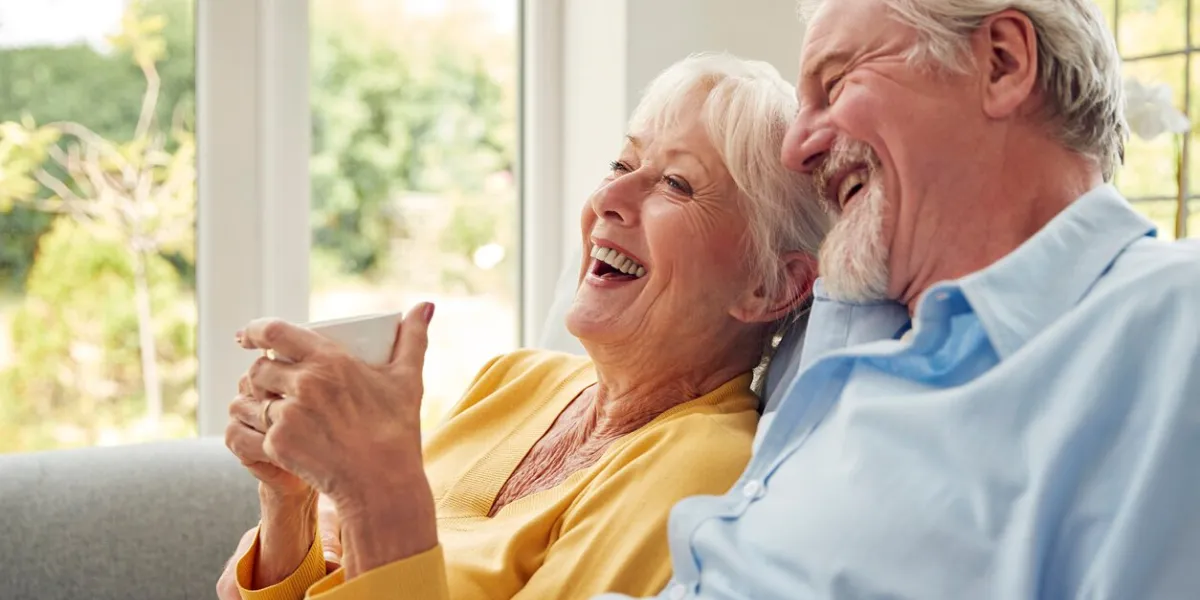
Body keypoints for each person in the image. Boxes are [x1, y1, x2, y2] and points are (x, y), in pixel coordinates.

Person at [605, 0, 1198, 598]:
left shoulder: (1170, 326)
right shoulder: (840, 317)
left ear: (1002, 62)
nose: (797, 149)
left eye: (836, 85)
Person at [215, 53, 832, 600]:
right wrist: (289, 495)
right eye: (623, 162)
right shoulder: (516, 378)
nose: (609, 198)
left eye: (676, 183)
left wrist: (378, 490)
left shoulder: (702, 467)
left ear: (769, 287)